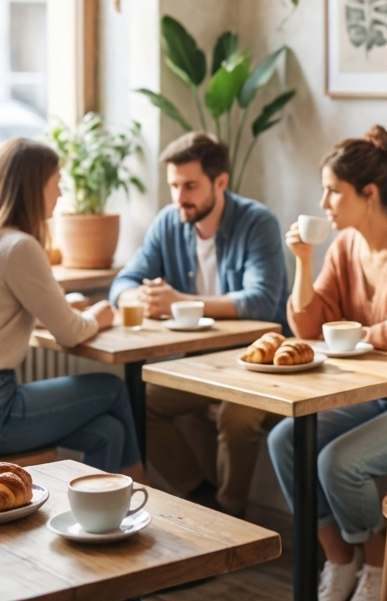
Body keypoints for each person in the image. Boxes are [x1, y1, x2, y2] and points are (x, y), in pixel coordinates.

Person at [267, 126, 387, 601]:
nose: (324, 203)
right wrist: (302, 260)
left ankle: (381, 564)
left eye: (333, 191)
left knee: (338, 461)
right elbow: (307, 329)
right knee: (286, 440)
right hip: (374, 398)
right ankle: (340, 559)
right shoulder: (343, 248)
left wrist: (348, 336)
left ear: (369, 194)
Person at [109, 131, 288, 514]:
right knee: (139, 401)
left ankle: (231, 512)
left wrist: (179, 302)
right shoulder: (169, 222)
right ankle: (201, 497)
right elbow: (122, 282)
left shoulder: (257, 222)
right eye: (174, 185)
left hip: (256, 362)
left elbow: (261, 300)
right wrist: (141, 297)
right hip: (200, 363)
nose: (179, 197)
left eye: (190, 185)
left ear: (220, 182)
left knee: (235, 416)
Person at [0, 139, 143, 476]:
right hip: (4, 409)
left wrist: (56, 309)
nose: (62, 193)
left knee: (109, 431)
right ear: (35, 187)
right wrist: (100, 313)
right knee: (112, 388)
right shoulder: (20, 246)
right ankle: (143, 485)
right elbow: (69, 333)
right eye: (57, 182)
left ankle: (98, 520)